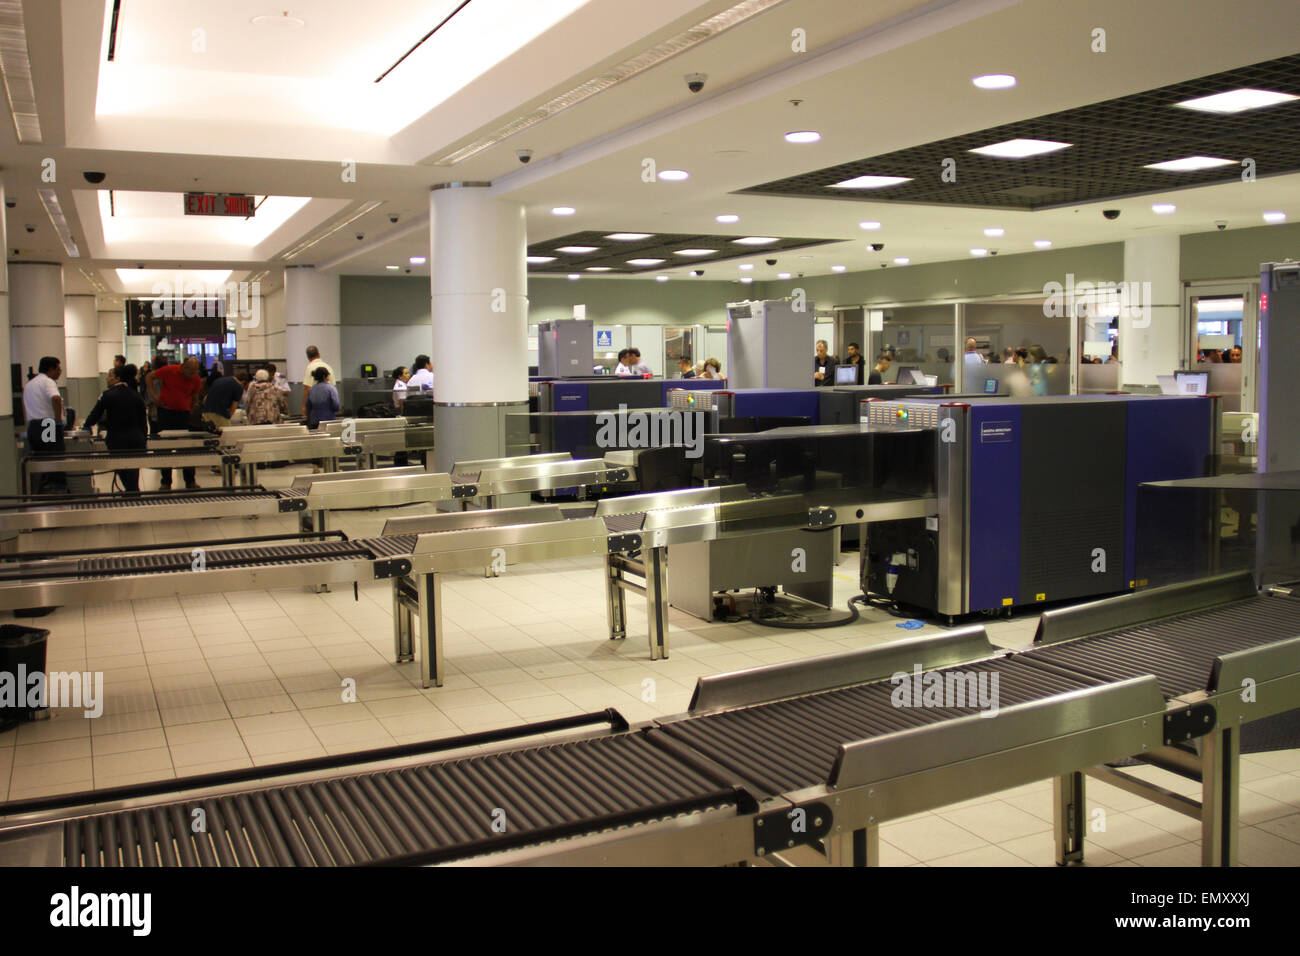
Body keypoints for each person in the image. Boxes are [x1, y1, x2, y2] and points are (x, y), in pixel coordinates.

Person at [84, 364, 147, 492]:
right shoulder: (136, 395)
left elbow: (95, 414)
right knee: (133, 468)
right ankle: (133, 490)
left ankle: (132, 491)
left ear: (118, 378)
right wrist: (144, 438)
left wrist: (86, 426)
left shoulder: (107, 395)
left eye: (110, 376)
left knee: (120, 466)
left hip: (117, 438)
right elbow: (142, 420)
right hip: (136, 438)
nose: (107, 378)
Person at [146, 357, 204, 489]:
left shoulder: (195, 378)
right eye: (190, 371)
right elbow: (149, 377)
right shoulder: (170, 370)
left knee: (186, 448)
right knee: (165, 448)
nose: (192, 375)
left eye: (195, 371)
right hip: (166, 413)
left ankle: (190, 481)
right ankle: (166, 481)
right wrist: (154, 396)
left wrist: (192, 407)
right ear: (184, 366)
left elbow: (195, 396)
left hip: (183, 415)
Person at [22, 356, 67, 493]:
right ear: (50, 369)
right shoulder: (48, 382)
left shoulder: (29, 384)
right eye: (58, 369)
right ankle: (58, 489)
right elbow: (56, 398)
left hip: (33, 426)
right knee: (55, 458)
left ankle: (42, 489)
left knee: (40, 460)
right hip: (47, 424)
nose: (60, 372)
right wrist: (58, 421)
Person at [301, 346, 335, 418]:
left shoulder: (310, 367)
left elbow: (307, 388)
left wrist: (304, 407)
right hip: (329, 409)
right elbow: (333, 387)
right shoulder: (328, 367)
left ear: (308, 357)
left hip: (315, 409)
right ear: (319, 354)